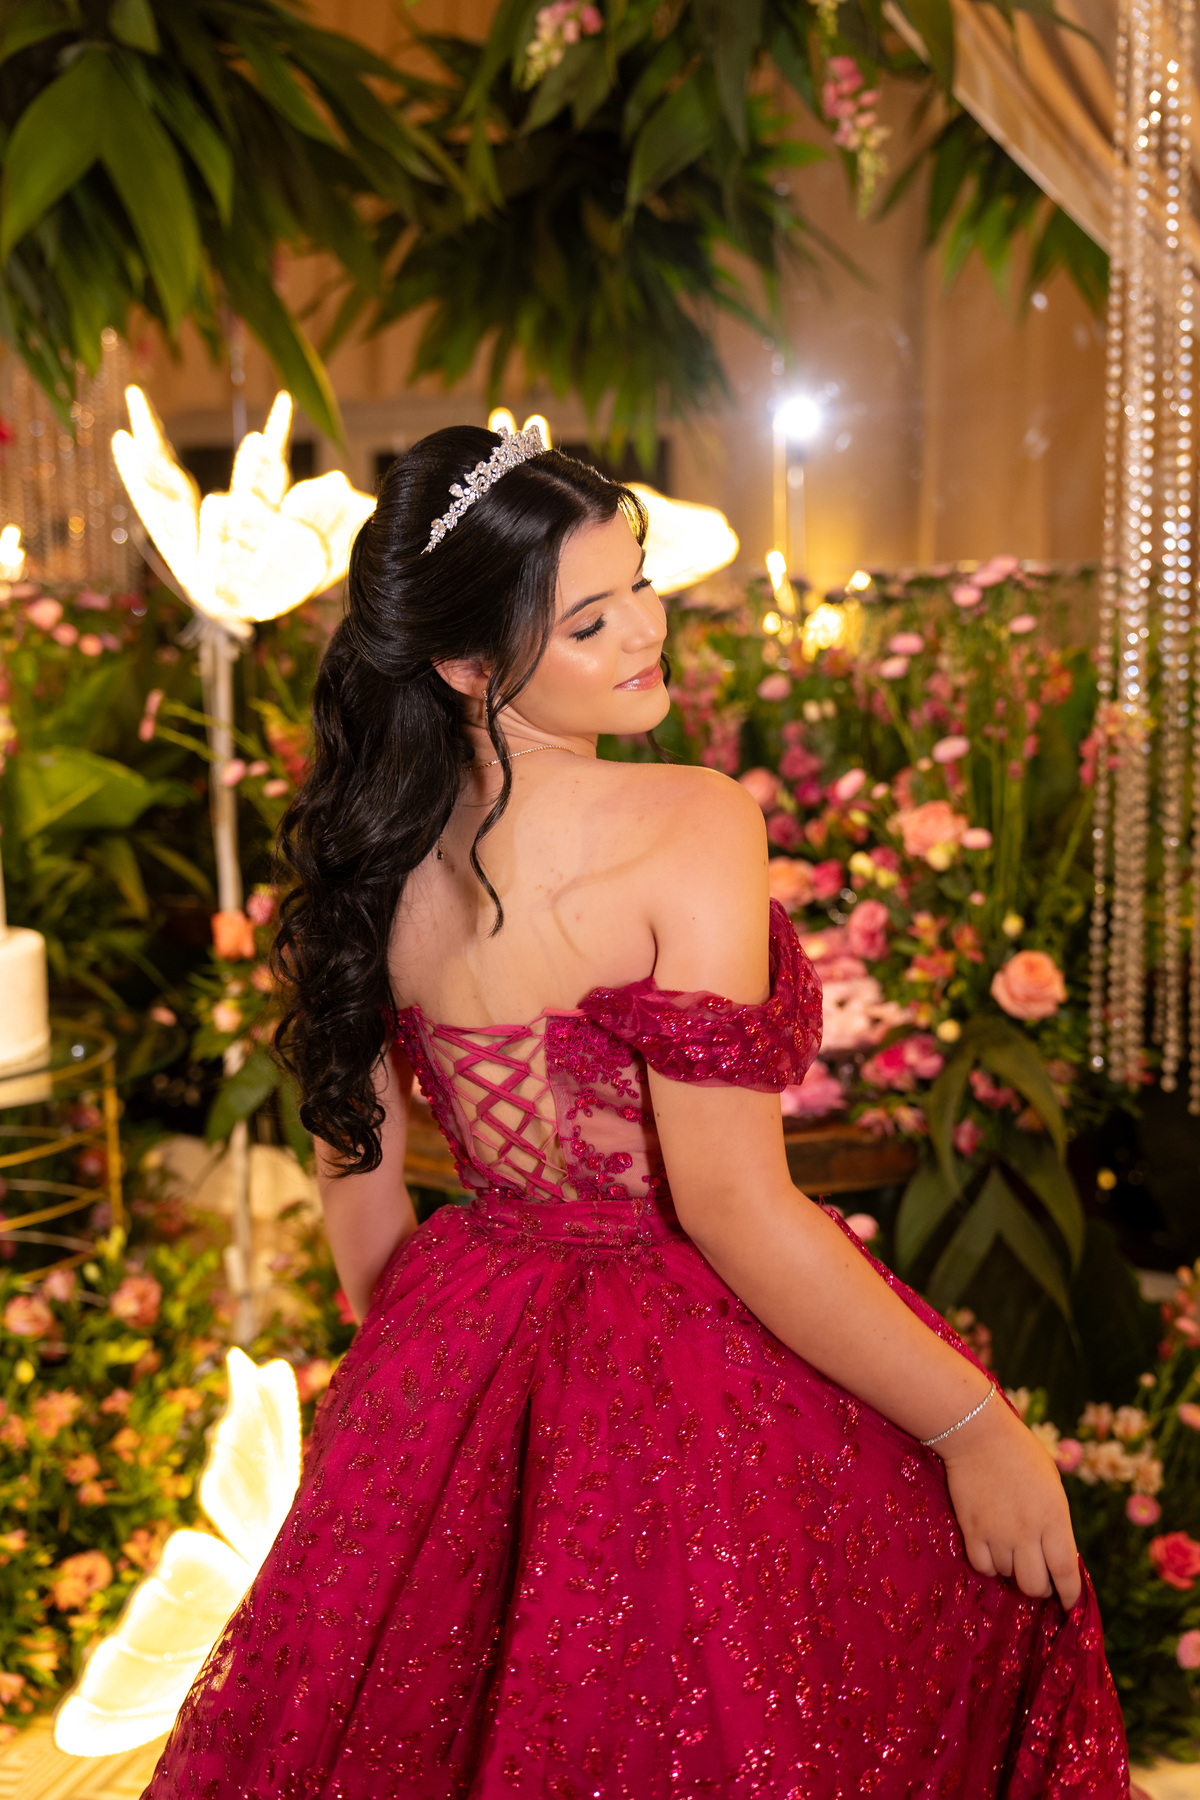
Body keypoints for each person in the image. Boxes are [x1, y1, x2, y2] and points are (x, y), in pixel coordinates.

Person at [143, 425, 1129, 1798]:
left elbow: (353, 1174)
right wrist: (976, 1429)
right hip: (693, 1361)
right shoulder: (694, 819)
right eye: (590, 620)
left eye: (642, 586)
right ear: (465, 665)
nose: (649, 632)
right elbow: (733, 1206)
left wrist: (432, 1392)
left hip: (459, 1327)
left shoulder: (377, 854)